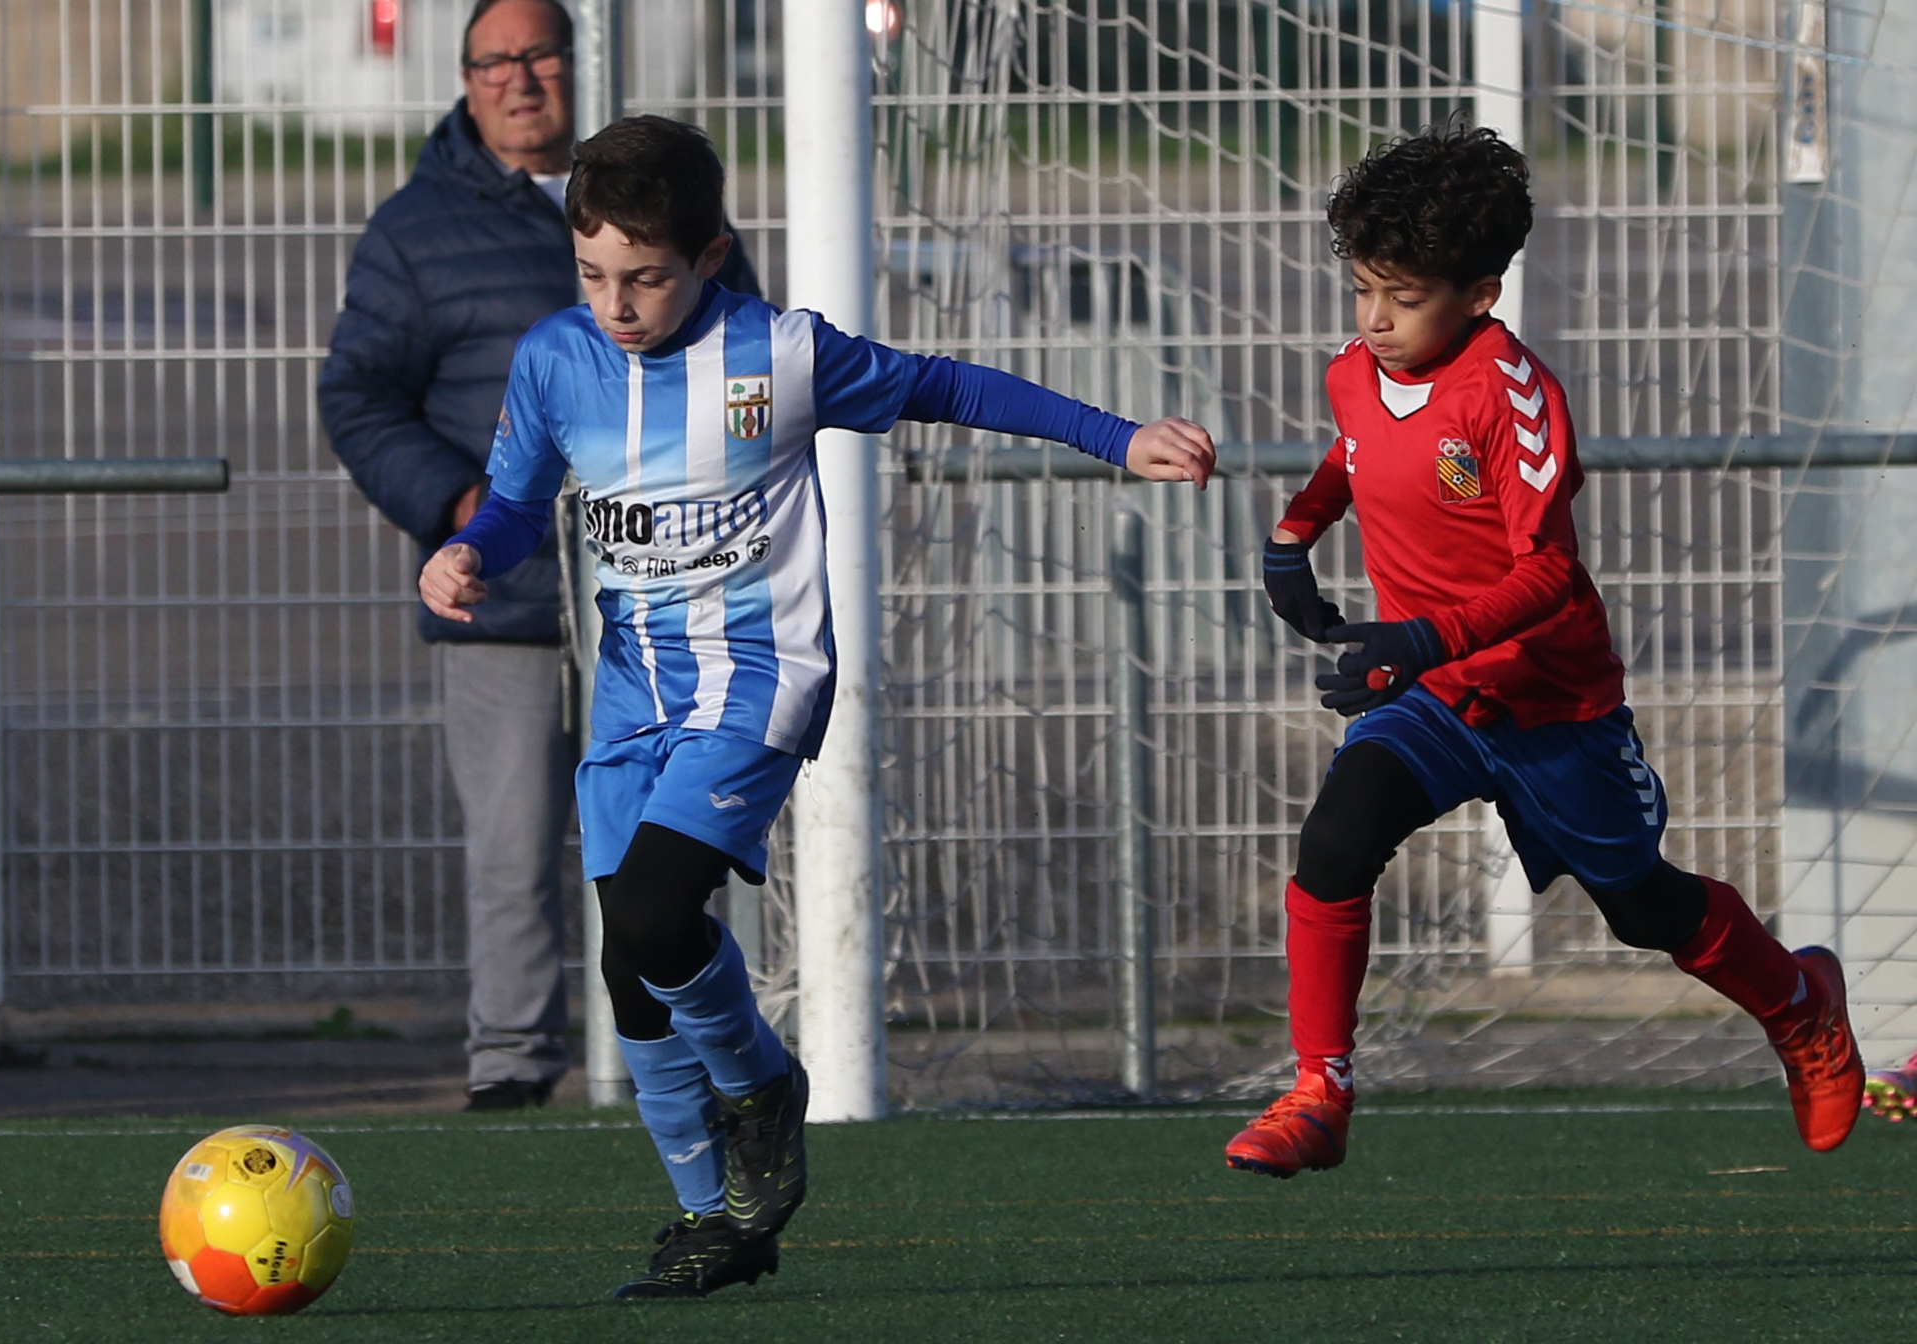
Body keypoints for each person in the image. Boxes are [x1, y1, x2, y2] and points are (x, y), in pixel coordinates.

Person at [420, 115, 1216, 1297]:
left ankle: (763, 1087)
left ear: (709, 255)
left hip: (760, 681)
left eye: (645, 278)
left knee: (656, 916)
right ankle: (717, 1222)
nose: (617, 304)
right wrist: (467, 553)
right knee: (632, 966)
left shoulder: (779, 355)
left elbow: (945, 385)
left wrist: (1118, 435)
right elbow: (515, 501)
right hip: (634, 699)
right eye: (593, 275)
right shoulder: (555, 360)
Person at [1229, 122, 1862, 1178]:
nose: (1375, 320)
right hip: (1433, 695)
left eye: (1403, 298)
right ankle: (1319, 1092)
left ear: (1480, 295)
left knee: (1641, 906)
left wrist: (1420, 635)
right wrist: (1295, 535)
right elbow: (1355, 450)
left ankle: (1800, 1003)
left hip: (1549, 703)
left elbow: (1551, 574)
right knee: (1337, 839)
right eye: (1364, 290)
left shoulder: (1511, 394)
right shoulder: (1356, 370)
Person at [320, 0, 757, 1111]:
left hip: (674, 606)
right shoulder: (415, 230)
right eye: (492, 62)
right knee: (514, 851)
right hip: (510, 603)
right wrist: (461, 503)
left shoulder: (658, 203)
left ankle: (702, 1061)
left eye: (539, 55)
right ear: (465, 80)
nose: (518, 79)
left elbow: (748, 361)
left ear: (580, 59)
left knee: (675, 852)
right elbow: (358, 395)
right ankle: (513, 1069)